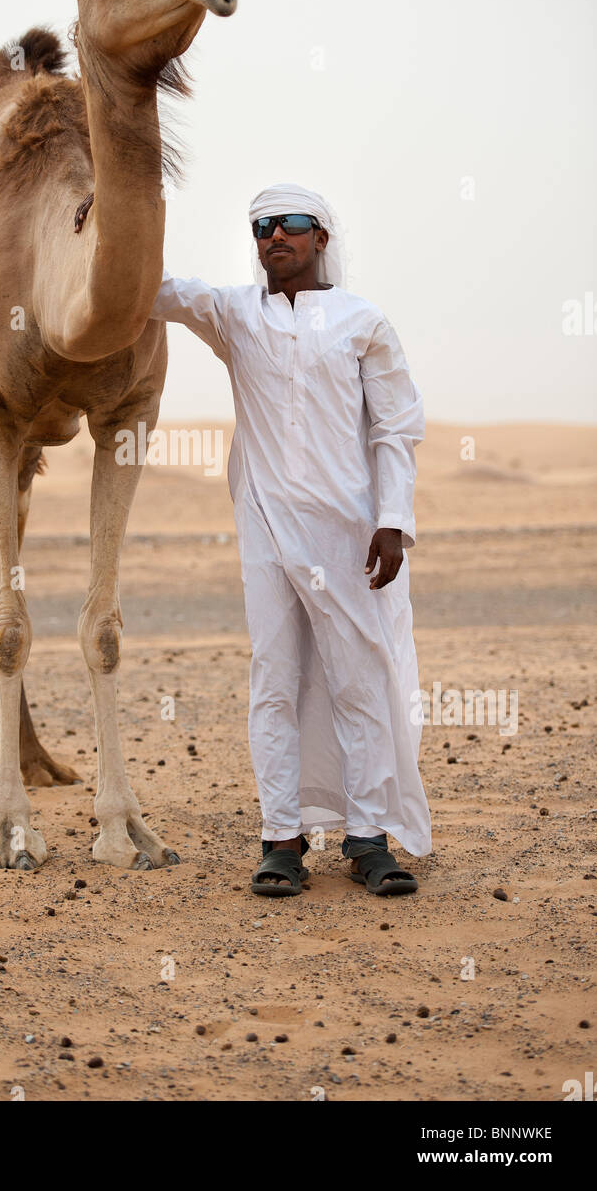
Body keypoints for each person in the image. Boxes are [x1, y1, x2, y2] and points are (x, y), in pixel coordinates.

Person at [149, 183, 431, 898]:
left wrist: (392, 520)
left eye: (292, 224)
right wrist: (100, 218)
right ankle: (281, 839)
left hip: (349, 533)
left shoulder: (361, 320)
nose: (274, 235)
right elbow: (149, 291)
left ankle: (368, 838)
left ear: (321, 238)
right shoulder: (233, 313)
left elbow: (393, 427)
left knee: (357, 680)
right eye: (261, 226)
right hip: (265, 529)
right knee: (273, 680)